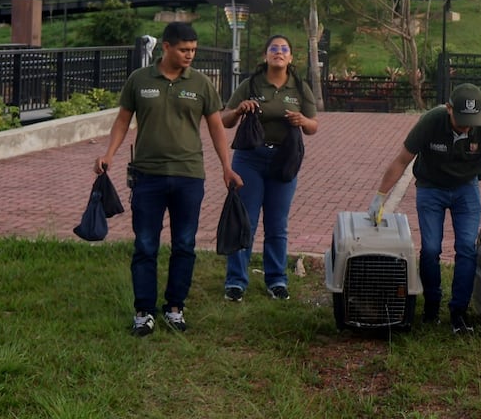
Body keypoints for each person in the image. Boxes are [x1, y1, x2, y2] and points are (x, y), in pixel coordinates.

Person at [95, 21, 241, 337]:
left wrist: (226, 168)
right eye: (184, 50)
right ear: (166, 47)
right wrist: (109, 154)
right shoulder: (139, 80)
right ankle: (143, 311)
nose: (190, 55)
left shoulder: (201, 84)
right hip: (147, 176)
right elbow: (122, 121)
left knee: (184, 244)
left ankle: (175, 307)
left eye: (193, 50)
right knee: (146, 244)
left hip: (189, 177)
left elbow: (217, 127)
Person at [365, 83, 481, 334]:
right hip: (430, 188)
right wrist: (380, 196)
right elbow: (402, 160)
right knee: (431, 248)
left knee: (467, 248)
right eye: (462, 119)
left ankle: (459, 312)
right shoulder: (430, 122)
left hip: (466, 190)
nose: (467, 126)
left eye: (472, 120)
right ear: (448, 109)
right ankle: (431, 307)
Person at [219, 35, 319, 302]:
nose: (278, 52)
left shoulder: (300, 87)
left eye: (284, 49)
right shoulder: (250, 84)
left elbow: (314, 126)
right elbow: (224, 120)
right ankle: (236, 282)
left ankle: (276, 280)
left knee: (277, 224)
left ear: (290, 58)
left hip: (284, 160)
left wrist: (302, 120)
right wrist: (240, 110)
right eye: (273, 48)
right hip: (250, 158)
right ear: (265, 56)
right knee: (245, 221)